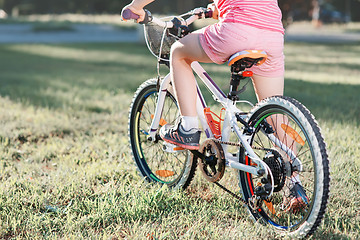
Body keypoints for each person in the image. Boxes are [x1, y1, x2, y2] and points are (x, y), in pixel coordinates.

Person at [122, 0, 307, 210]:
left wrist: (136, 7)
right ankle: (294, 187)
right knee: (275, 116)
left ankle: (188, 128)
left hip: (238, 31)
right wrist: (214, 9)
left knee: (178, 52)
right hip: (272, 34)